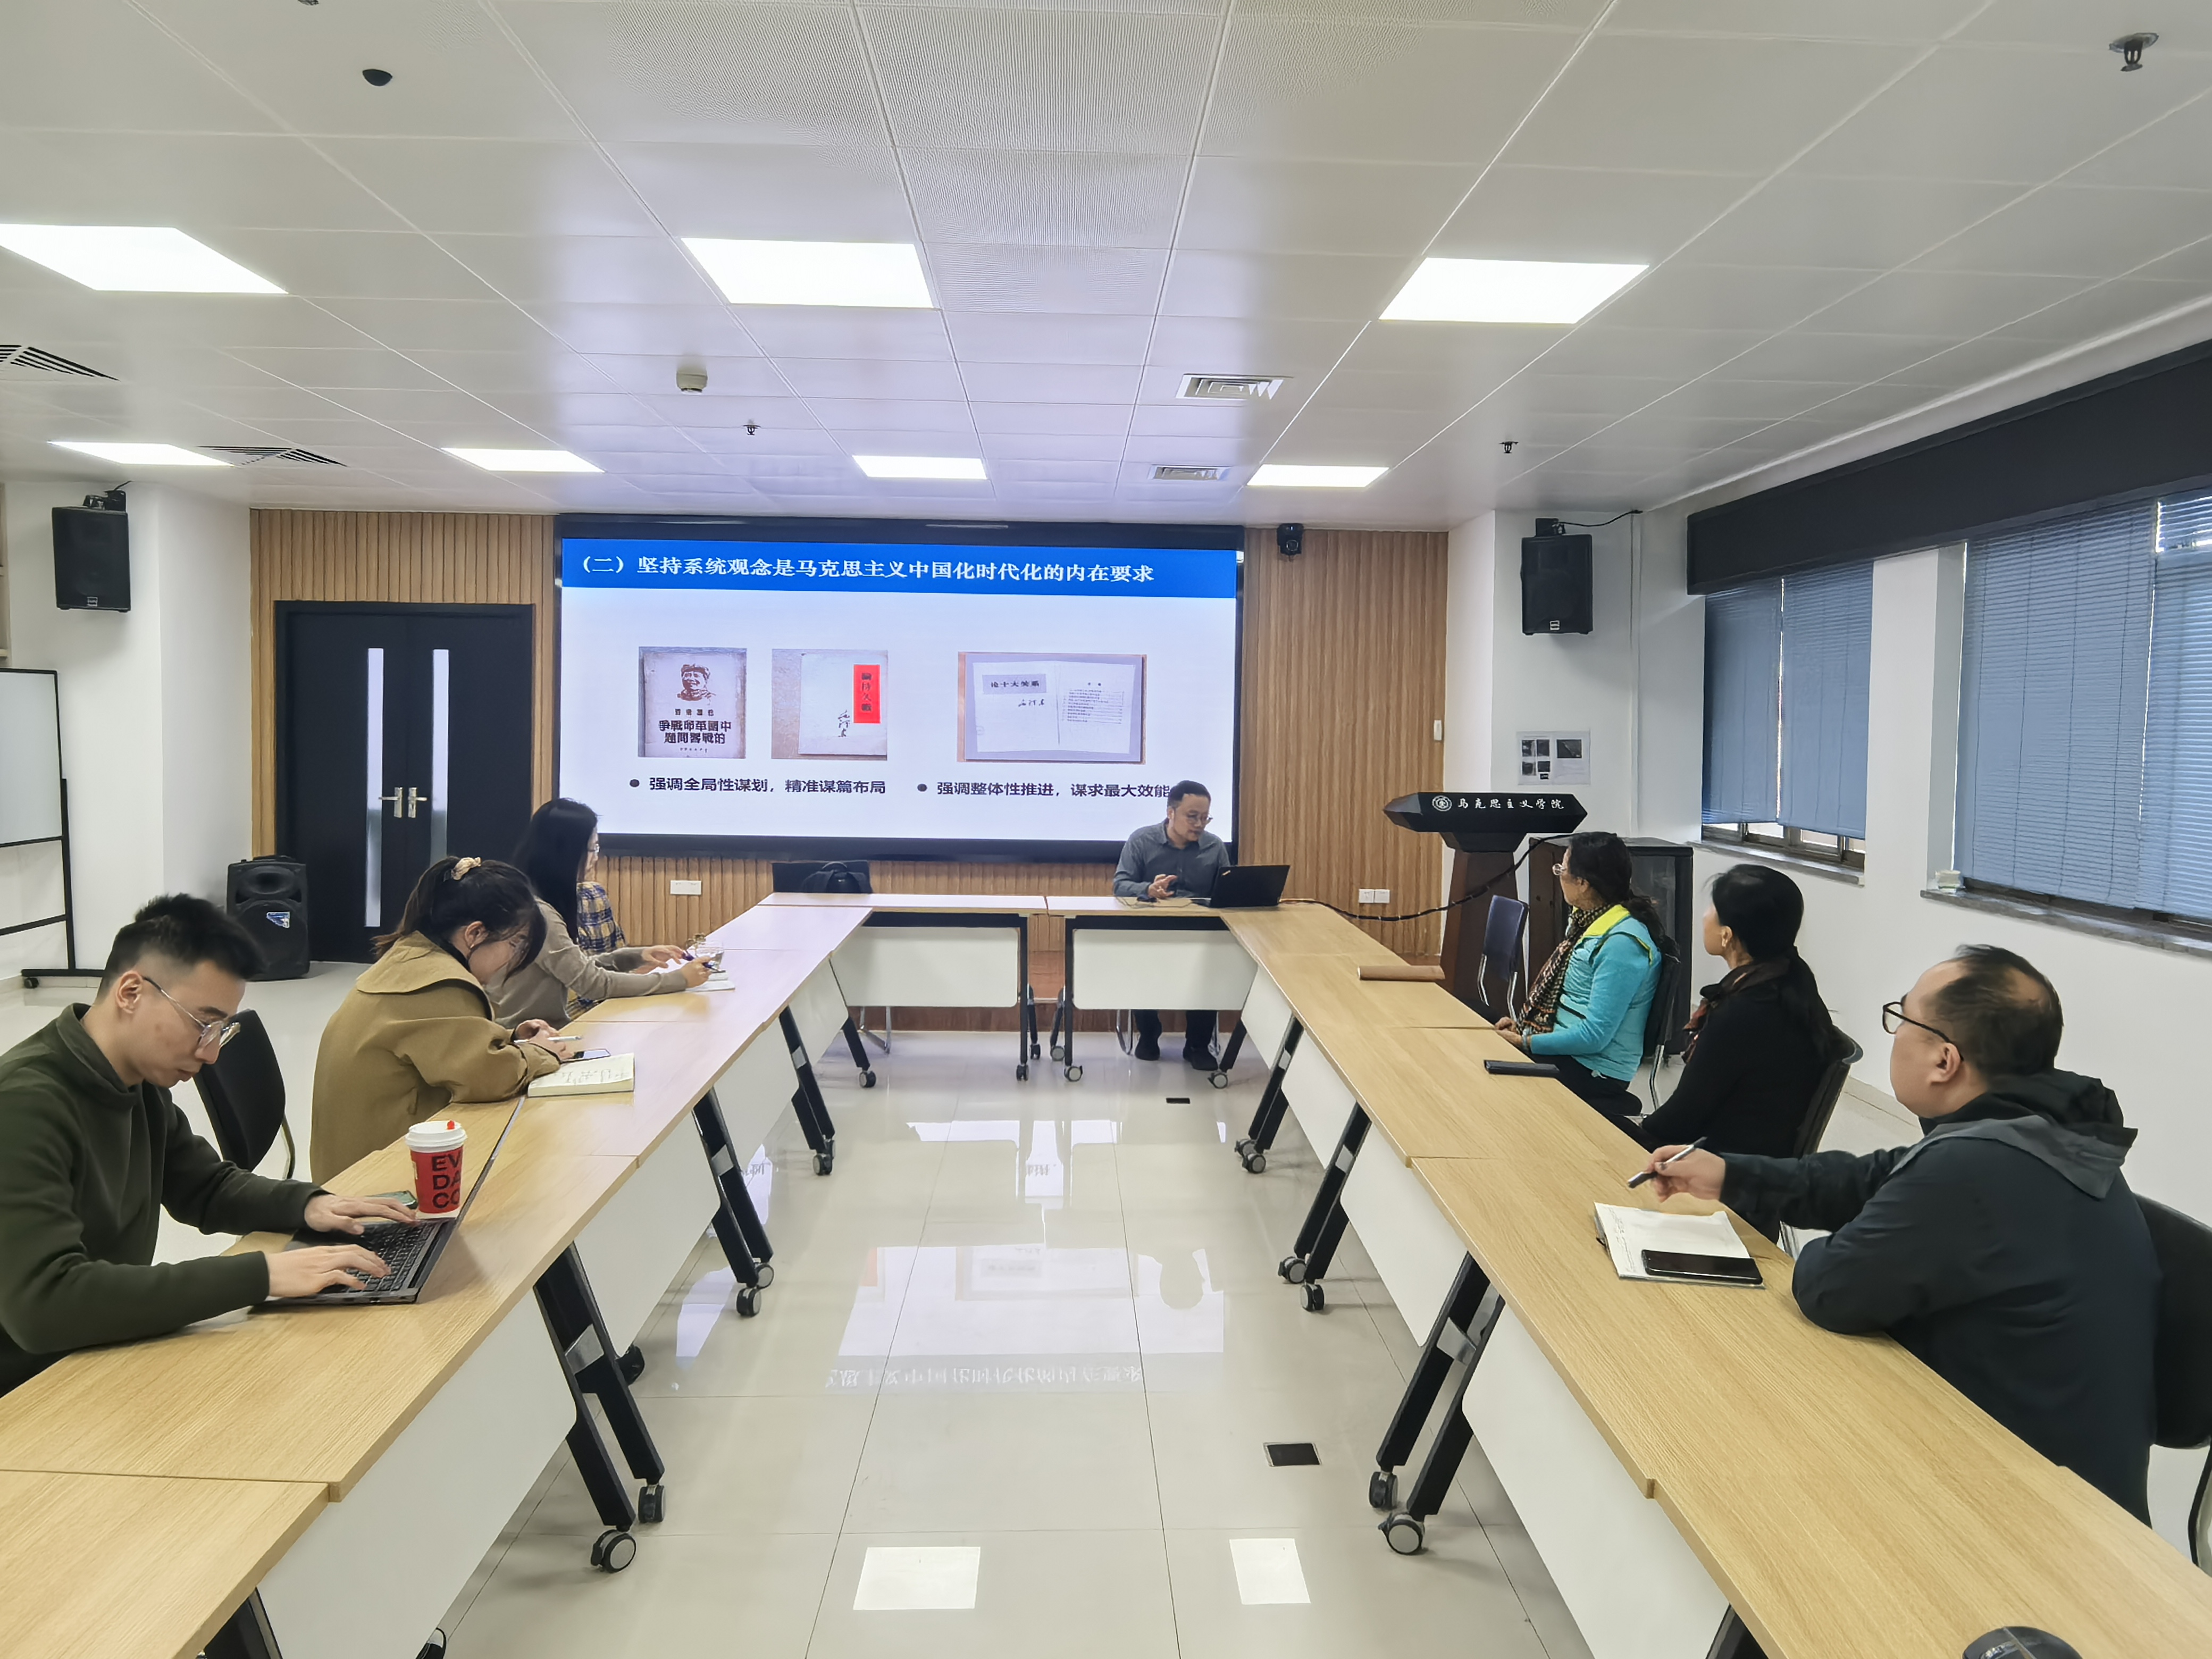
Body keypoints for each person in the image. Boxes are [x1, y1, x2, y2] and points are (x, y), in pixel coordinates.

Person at [1641, 946, 2160, 1521]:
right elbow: (1870, 1178)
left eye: (1903, 1018)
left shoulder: (1976, 1166)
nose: (1894, 1033)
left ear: (1944, 1060)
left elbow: (1830, 1288)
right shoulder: (2044, 1135)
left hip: (2029, 1512)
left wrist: (1857, 1238)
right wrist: (1732, 1174)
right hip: (2065, 1479)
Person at [0, 896, 416, 1394]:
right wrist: (262, 1276)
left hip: (93, 1352)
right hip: (28, 1392)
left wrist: (309, 1205)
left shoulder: (136, 1081)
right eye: (203, 1023)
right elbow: (45, 1305)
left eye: (222, 1028)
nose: (212, 1052)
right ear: (131, 993)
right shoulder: (23, 1105)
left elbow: (204, 1187)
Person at [311, 856, 575, 1182]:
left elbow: (447, 1043)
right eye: (515, 943)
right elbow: (490, 1077)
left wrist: (512, 1038)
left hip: (348, 1165)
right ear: (476, 933)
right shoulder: (441, 983)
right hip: (378, 1179)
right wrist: (541, 1053)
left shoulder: (412, 956)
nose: (516, 957)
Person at [1635, 864, 1835, 1160]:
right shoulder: (1792, 984)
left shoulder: (1743, 1013)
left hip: (1723, 1163)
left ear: (1727, 935)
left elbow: (1680, 1120)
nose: (1705, 916)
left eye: (1711, 909)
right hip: (1758, 1155)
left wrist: (1629, 1131)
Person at [492, 798, 707, 1027]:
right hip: (529, 1036)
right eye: (592, 848)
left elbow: (576, 968)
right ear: (567, 853)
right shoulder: (537, 912)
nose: (596, 857)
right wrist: (679, 979)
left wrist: (635, 956)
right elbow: (592, 984)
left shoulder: (527, 897)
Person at [1495, 831, 1665, 1121]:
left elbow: (1594, 1037)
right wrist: (1525, 1030)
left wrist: (1526, 1042)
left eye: (1562, 870)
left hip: (1594, 1069)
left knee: (1492, 1076)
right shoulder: (1589, 921)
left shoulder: (1621, 943)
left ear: (1583, 884)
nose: (1559, 876)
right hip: (1570, 1051)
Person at [1112, 780, 1233, 1066]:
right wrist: (1148, 890)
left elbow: (1228, 890)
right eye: (1193, 816)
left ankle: (1197, 1046)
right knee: (1141, 962)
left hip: (1201, 933)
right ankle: (1149, 1035)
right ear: (1171, 813)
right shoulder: (1142, 841)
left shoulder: (1214, 847)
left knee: (1211, 968)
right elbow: (1120, 884)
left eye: (1205, 818)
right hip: (1152, 930)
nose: (1200, 824)